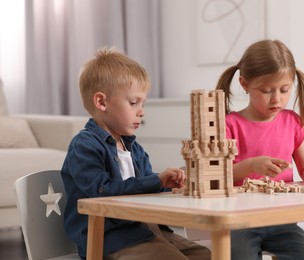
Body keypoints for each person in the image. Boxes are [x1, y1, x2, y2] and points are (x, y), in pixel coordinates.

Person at [61, 47, 211, 260]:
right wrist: (156, 181)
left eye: (143, 104)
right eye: (133, 103)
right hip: (109, 239)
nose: (141, 111)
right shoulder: (84, 146)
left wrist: (170, 185)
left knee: (206, 255)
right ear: (101, 102)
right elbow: (102, 192)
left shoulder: (135, 149)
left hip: (147, 231)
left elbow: (148, 194)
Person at [215, 39, 304, 260]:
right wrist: (251, 166)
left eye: (284, 90)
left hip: (281, 219)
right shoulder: (229, 124)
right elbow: (218, 176)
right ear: (245, 84)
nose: (277, 98)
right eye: (266, 90)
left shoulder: (292, 122)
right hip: (239, 220)